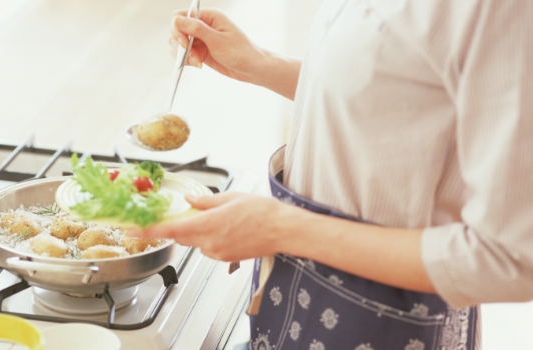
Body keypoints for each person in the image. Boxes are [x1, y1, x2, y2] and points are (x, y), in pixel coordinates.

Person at [128, 1, 533, 349]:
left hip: (386, 325)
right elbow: (400, 92)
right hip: (301, 303)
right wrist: (261, 64)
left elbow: (511, 259)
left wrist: (283, 228)